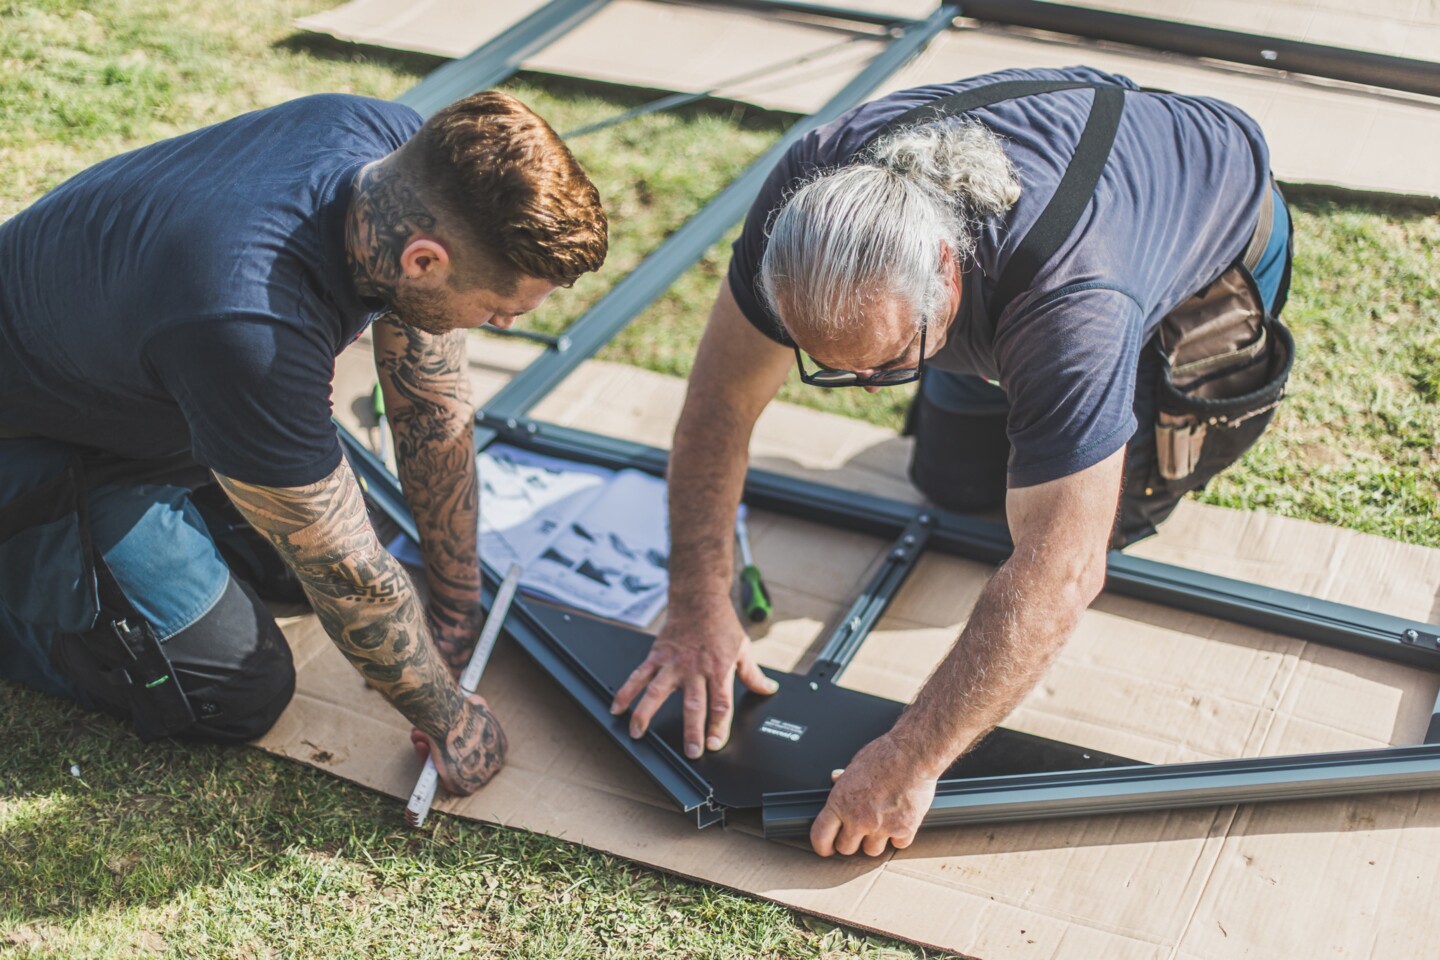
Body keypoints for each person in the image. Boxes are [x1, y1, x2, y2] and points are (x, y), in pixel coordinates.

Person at [610, 66, 1294, 856]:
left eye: (886, 362)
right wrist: (698, 600)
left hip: (1205, 252)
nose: (863, 387)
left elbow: (1062, 571)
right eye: (832, 364)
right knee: (954, 486)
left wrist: (912, 757)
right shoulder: (801, 201)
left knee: (1110, 517)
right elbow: (719, 406)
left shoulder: (1074, 305)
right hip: (1013, 285)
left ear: (946, 270)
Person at [0, 90, 608, 798]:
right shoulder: (250, 322)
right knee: (235, 690)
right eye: (500, 308)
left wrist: (454, 602)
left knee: (345, 549)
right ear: (423, 261)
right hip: (41, 450)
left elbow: (433, 411)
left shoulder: (400, 159)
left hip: (147, 398)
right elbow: (350, 575)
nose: (502, 322)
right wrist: (450, 719)